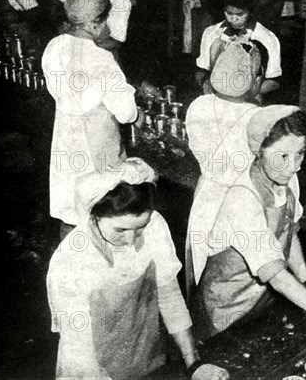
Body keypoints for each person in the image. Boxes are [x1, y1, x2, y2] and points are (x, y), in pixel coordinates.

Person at [193, 105, 306, 347]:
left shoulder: (286, 179)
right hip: (225, 312)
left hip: (262, 302)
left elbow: (288, 232)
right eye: (282, 156)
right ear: (258, 151)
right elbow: (277, 276)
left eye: (300, 153)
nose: (294, 165)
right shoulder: (242, 198)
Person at [46, 158, 229, 380]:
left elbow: (170, 297)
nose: (131, 239)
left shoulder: (155, 226)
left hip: (142, 351)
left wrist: (194, 364)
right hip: (90, 368)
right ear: (94, 215)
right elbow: (80, 347)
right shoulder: (73, 260)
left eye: (139, 228)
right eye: (120, 230)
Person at [41, 0, 143, 239]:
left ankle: (69, 258)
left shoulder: (54, 46)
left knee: (71, 207)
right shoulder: (100, 58)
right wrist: (136, 114)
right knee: (101, 209)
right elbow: (125, 111)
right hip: (97, 141)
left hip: (66, 135)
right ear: (95, 23)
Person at [185, 32, 264, 295]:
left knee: (202, 273)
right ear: (255, 80)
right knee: (234, 283)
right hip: (243, 205)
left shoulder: (197, 106)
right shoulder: (257, 117)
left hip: (206, 198)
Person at [195, 0, 281, 102]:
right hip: (217, 96)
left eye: (240, 14)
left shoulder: (266, 38)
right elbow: (201, 71)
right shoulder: (212, 33)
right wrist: (205, 83)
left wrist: (249, 94)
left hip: (249, 100)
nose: (233, 19)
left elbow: (274, 81)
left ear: (250, 12)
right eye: (229, 13)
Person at [56, 0, 133, 54]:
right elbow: (57, 15)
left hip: (99, 51)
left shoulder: (121, 4)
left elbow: (116, 42)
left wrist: (89, 45)